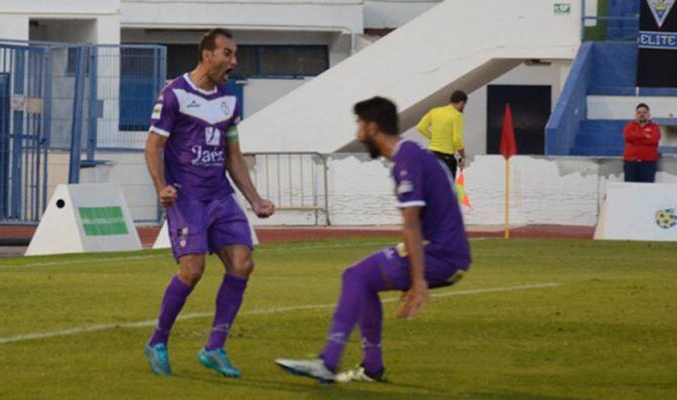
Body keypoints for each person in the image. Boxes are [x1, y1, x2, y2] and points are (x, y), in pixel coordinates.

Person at [275, 97, 471, 383]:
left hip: (443, 255)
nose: (356, 133)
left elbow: (412, 224)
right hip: (444, 252)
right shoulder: (411, 155)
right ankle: (372, 367)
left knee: (355, 276)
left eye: (359, 125)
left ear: (372, 127)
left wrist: (418, 281)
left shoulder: (407, 158)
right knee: (362, 279)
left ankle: (327, 362)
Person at [143, 28, 275, 378]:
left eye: (234, 54)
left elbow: (233, 155)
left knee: (243, 264)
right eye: (228, 53)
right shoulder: (174, 94)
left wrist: (255, 198)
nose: (234, 61)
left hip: (220, 196)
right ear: (207, 55)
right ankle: (158, 341)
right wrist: (161, 187)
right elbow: (153, 146)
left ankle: (214, 347)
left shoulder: (229, 100)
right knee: (193, 270)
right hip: (187, 197)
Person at [416, 90, 468, 178]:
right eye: (464, 105)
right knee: (447, 188)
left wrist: (433, 137)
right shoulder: (457, 116)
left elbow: (420, 127)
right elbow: (457, 140)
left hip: (431, 156)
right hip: (446, 158)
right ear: (462, 102)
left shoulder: (435, 111)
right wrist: (463, 156)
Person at [623, 103, 660, 183]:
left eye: (644, 112)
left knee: (646, 190)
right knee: (630, 189)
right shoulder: (629, 126)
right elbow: (628, 137)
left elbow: (654, 139)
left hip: (648, 164)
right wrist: (645, 135)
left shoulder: (655, 127)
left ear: (649, 114)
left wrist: (635, 139)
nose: (642, 114)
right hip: (631, 163)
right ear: (636, 114)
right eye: (639, 112)